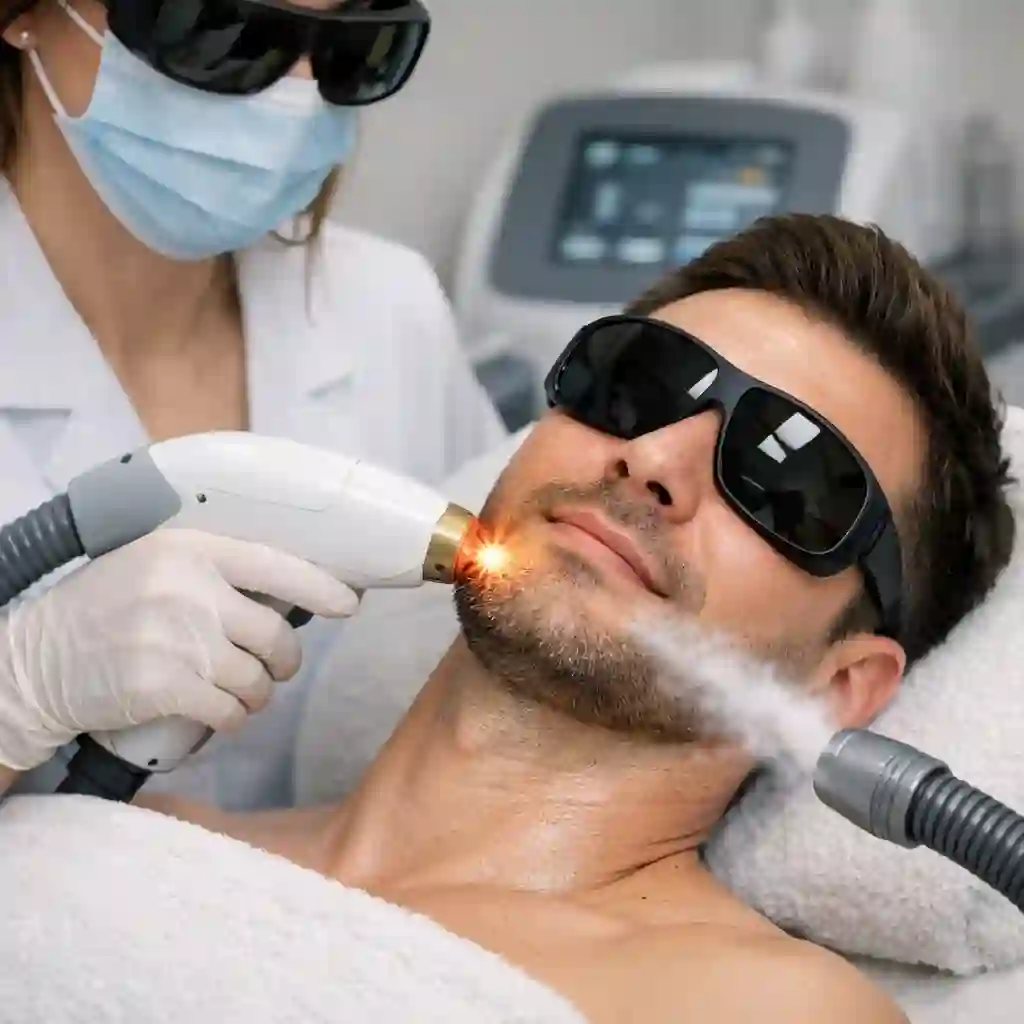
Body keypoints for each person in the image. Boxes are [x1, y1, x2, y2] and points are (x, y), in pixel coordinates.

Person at [1, 214, 1015, 1021]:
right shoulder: (120, 835)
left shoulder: (759, 1008)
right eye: (638, 384)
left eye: (783, 478)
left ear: (840, 685)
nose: (654, 461)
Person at [0, 0, 506, 807]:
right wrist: (18, 695)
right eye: (222, 28)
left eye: (351, 49)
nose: (297, 97)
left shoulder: (387, 309)